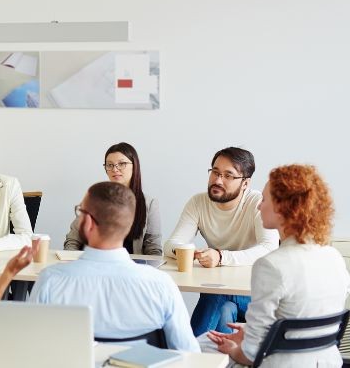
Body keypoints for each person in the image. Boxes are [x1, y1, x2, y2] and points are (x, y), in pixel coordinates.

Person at [0, 182, 199, 352]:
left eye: (80, 211)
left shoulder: (52, 280)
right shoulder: (161, 285)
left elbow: (31, 349)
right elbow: (189, 355)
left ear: (88, 223)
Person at [206, 164, 349, 367]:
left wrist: (234, 349)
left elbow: (250, 354)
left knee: (202, 346)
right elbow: (307, 316)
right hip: (327, 362)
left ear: (282, 208)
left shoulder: (271, 265)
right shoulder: (334, 257)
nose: (258, 206)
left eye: (264, 200)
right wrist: (259, 332)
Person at [164, 147, 279, 336]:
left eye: (228, 176)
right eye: (215, 172)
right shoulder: (198, 203)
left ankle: (190, 353)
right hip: (224, 297)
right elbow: (170, 245)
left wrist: (221, 257)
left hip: (255, 295)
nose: (217, 180)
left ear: (245, 183)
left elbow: (269, 248)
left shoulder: (257, 203)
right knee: (224, 309)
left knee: (216, 291)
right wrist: (187, 252)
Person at [64, 142, 162, 255]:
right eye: (109, 165)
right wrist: (74, 262)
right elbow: (72, 240)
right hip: (94, 265)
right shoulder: (95, 198)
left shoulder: (149, 204)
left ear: (135, 166)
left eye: (122, 164)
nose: (115, 169)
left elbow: (153, 249)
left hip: (131, 268)